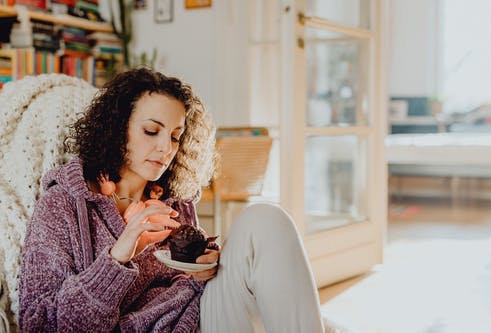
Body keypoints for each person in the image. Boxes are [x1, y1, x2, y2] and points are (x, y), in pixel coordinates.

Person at [18, 68, 324, 332]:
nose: (166, 147)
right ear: (116, 128)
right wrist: (118, 257)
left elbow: (189, 279)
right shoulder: (62, 205)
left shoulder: (173, 200)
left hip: (199, 315)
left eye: (175, 136)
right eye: (151, 131)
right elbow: (41, 325)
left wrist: (204, 267)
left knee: (265, 220)